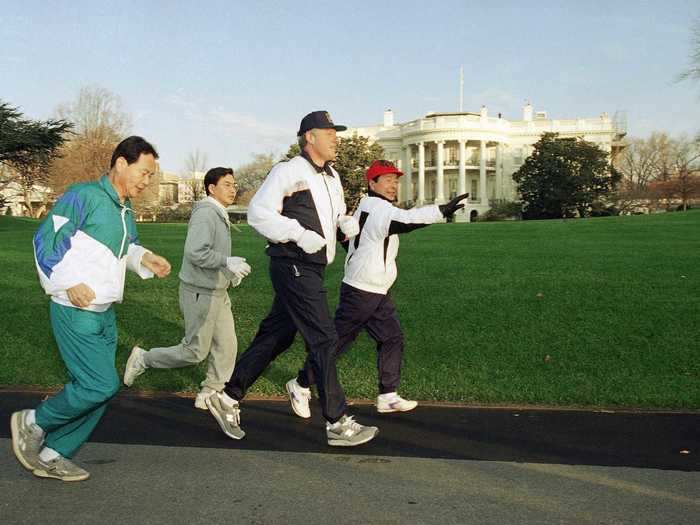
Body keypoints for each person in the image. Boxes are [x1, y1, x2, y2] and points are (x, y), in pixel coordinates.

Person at [206, 111, 378, 446]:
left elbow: (335, 214)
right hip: (292, 264)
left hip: (311, 267)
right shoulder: (288, 171)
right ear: (309, 136)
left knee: (278, 336)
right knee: (324, 338)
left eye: (336, 133)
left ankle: (226, 398)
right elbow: (259, 214)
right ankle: (337, 423)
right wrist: (299, 234)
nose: (335, 138)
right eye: (329, 132)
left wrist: (344, 224)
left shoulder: (332, 177)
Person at [10, 136, 171, 482]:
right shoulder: (82, 196)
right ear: (121, 164)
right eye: (144, 173)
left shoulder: (124, 209)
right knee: (99, 385)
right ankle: (32, 422)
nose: (147, 181)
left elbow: (125, 248)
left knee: (100, 387)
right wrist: (67, 281)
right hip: (75, 310)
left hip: (105, 311)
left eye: (151, 176)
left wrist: (146, 258)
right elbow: (44, 242)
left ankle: (53, 454)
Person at [286, 160, 467, 418]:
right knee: (337, 343)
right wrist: (442, 211)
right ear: (372, 184)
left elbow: (347, 238)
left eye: (396, 180)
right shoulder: (381, 209)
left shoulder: (365, 206)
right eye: (387, 180)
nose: (394, 185)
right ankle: (301, 384)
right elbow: (407, 220)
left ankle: (387, 395)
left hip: (374, 288)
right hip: (362, 290)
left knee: (391, 337)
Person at [123, 167, 251, 417]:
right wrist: (226, 262)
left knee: (227, 346)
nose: (233, 189)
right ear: (211, 188)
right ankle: (143, 359)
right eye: (227, 184)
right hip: (199, 292)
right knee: (195, 351)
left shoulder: (218, 213)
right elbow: (196, 251)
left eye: (234, 184)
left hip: (216, 290)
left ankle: (211, 391)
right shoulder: (206, 213)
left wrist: (229, 274)